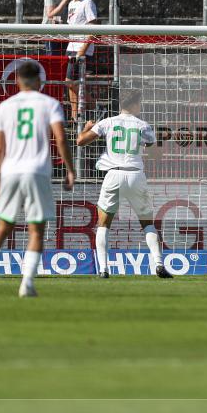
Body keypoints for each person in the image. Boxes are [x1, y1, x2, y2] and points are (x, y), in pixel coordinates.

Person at [0, 61, 76, 298]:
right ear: (40, 81)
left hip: (11, 172)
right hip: (38, 171)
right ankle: (27, 284)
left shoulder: (5, 106)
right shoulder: (50, 104)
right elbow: (61, 139)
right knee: (37, 230)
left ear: (17, 81)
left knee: (3, 226)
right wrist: (70, 169)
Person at [75, 90, 173, 278]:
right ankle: (159, 265)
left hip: (114, 174)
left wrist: (87, 127)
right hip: (136, 175)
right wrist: (156, 142)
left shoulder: (108, 122)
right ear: (136, 105)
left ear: (121, 105)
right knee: (147, 223)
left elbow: (80, 141)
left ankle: (103, 269)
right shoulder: (143, 125)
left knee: (103, 223)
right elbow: (156, 156)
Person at [65, 0, 99, 120]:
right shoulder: (71, 4)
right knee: (70, 83)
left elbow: (94, 28)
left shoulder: (88, 2)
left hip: (82, 48)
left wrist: (83, 49)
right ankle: (75, 115)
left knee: (72, 81)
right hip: (71, 47)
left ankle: (95, 106)